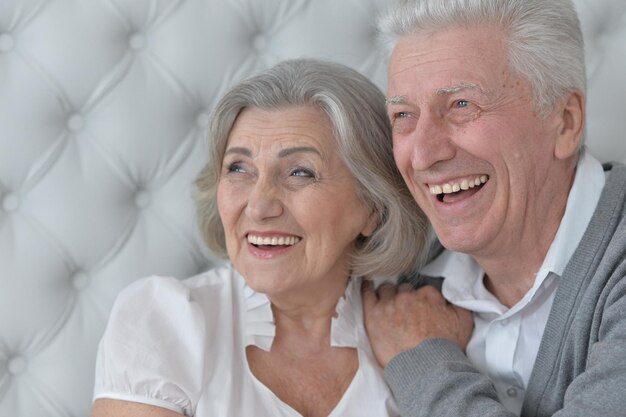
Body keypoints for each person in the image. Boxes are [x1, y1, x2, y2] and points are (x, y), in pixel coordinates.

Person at [89, 58, 429, 417]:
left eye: (300, 172)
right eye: (239, 168)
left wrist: (425, 360)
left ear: (372, 207)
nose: (259, 205)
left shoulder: (417, 335)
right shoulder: (165, 321)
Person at [362, 0, 626, 416]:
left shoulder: (406, 336)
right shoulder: (401, 285)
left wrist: (423, 360)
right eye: (403, 115)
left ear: (565, 122)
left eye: (462, 105)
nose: (425, 154)